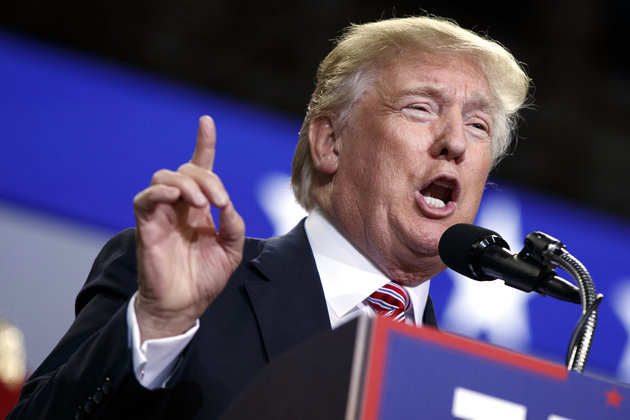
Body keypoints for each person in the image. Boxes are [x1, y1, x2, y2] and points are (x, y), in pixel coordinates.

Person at [8, 15, 529, 419]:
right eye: (420, 108)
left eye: (479, 125)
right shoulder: (184, 289)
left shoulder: (463, 386)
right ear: (330, 142)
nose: (456, 142)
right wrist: (160, 324)